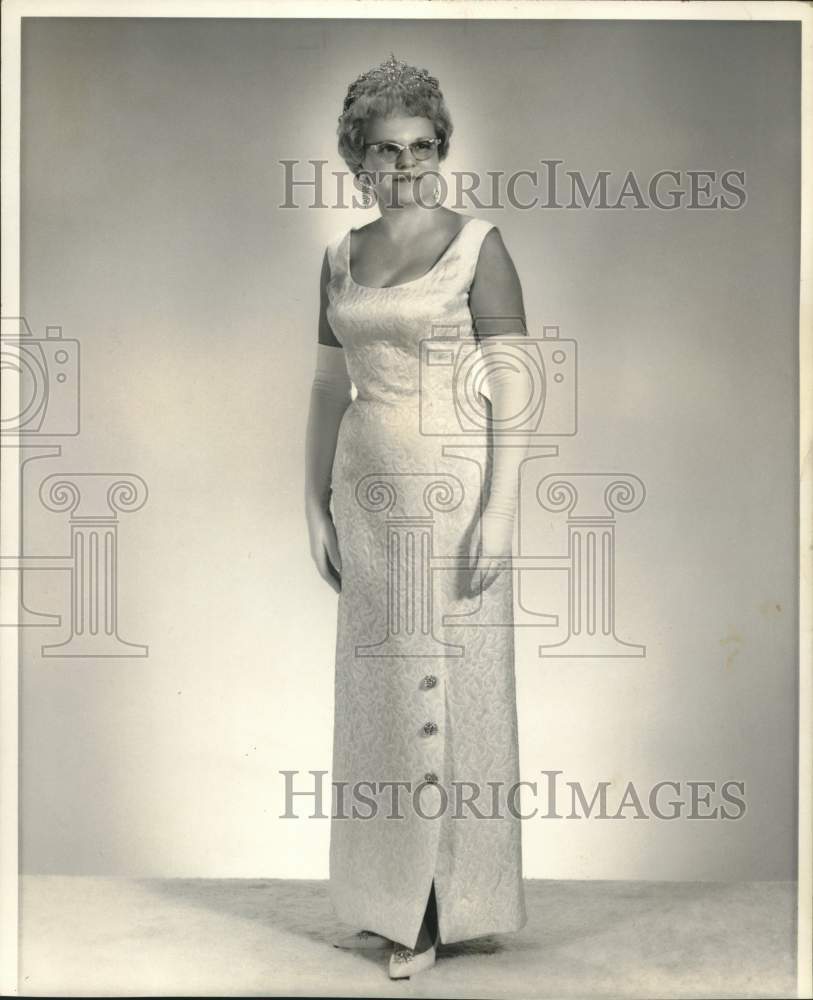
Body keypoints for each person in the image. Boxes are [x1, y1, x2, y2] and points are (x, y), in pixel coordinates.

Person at [304, 54, 531, 980]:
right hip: (364, 492)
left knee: (448, 695)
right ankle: (390, 894)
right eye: (385, 149)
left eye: (423, 147)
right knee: (382, 702)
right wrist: (310, 501)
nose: (406, 164)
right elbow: (326, 387)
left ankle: (439, 910)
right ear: (356, 155)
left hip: (451, 494)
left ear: (441, 150)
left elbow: (514, 387)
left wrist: (500, 512)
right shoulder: (337, 255)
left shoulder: (479, 244)